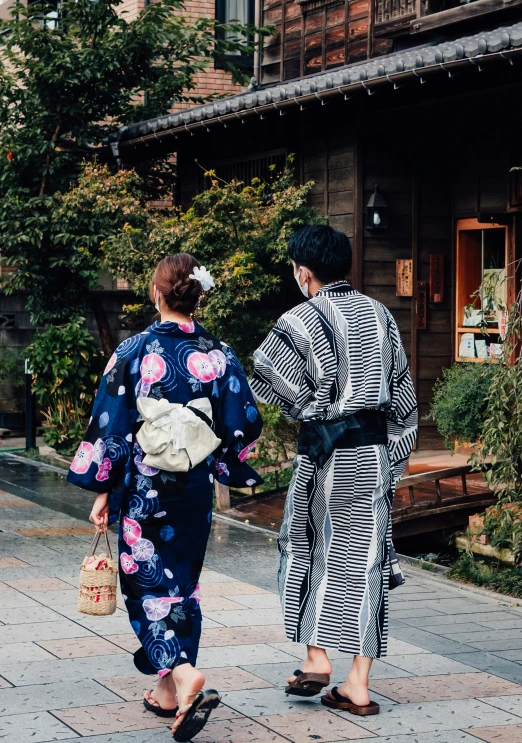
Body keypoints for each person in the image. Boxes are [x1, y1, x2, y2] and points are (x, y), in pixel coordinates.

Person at [68, 254, 263, 741]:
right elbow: (244, 423)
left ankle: (182, 673)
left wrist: (103, 490)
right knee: (183, 586)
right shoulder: (219, 354)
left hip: (145, 490)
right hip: (193, 490)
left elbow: (110, 424)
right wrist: (220, 458)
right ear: (198, 296)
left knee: (148, 589)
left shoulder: (133, 350)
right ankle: (168, 695)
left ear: (157, 295)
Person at [250, 225, 417, 717]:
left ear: (303, 272)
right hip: (371, 457)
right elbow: (404, 399)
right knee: (366, 563)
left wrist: (311, 407)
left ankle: (316, 657)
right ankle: (358, 685)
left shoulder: (299, 319)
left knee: (307, 547)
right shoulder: (381, 315)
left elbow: (264, 378)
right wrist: (392, 462)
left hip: (324, 456)